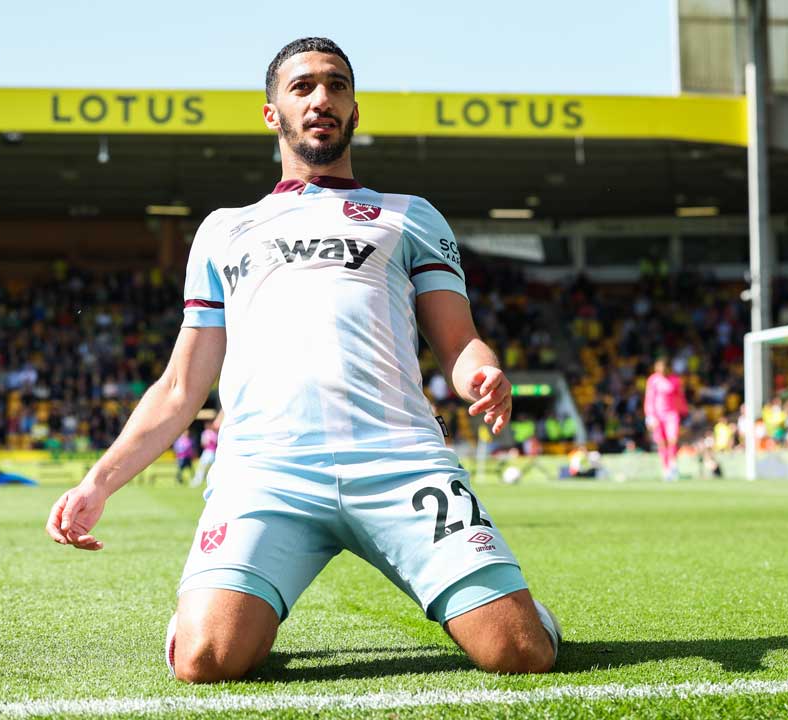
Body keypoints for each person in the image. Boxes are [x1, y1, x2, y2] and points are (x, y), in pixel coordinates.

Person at [46, 37, 560, 684]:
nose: (322, 98)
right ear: (272, 114)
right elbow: (182, 385)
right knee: (205, 660)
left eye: (337, 84)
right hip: (266, 474)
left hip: (400, 463)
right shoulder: (224, 229)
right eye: (303, 86)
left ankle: (516, 608)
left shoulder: (412, 217)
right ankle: (208, 612)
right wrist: (97, 484)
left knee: (519, 653)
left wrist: (480, 374)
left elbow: (459, 344)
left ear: (354, 110)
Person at [643, 357, 688, 481]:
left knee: (672, 439)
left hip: (671, 414)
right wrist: (649, 415)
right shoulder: (653, 380)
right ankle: (665, 467)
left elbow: (680, 397)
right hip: (657, 415)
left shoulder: (675, 380)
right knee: (661, 442)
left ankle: (673, 463)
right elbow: (649, 398)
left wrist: (684, 412)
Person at [191, 412, 221, 488]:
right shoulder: (214, 433)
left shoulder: (208, 433)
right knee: (208, 467)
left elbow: (203, 443)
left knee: (203, 466)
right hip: (212, 451)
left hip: (209, 452)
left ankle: (198, 481)